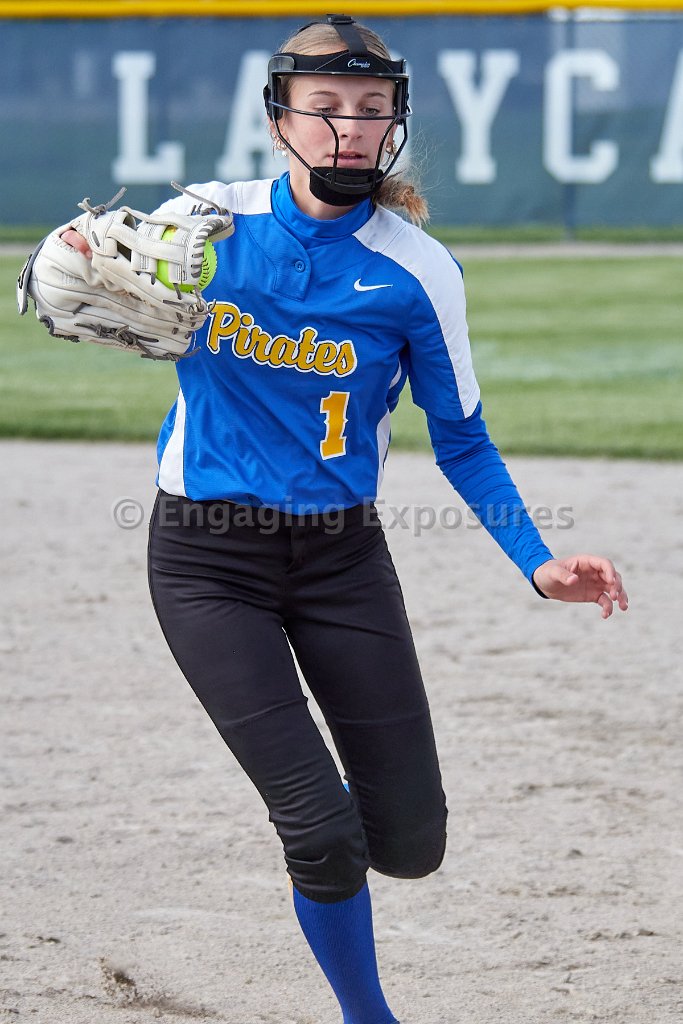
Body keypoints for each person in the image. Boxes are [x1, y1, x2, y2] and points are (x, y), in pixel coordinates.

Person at [62, 15, 628, 1023]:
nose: (348, 129)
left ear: (393, 123)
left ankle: (331, 842)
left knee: (409, 845)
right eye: (323, 107)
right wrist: (59, 263)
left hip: (340, 560)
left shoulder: (416, 270)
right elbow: (79, 273)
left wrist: (535, 561)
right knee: (321, 830)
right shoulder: (207, 222)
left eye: (370, 109)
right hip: (207, 560)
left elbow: (462, 438)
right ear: (278, 119)